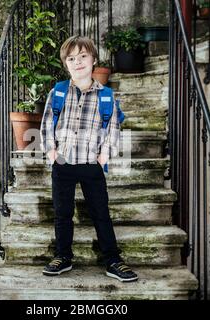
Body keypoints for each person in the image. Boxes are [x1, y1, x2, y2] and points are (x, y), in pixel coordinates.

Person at [39, 35, 138, 282]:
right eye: (72, 58)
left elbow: (113, 128)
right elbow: (46, 124)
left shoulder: (106, 96)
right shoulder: (58, 92)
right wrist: (51, 151)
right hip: (63, 163)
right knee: (62, 212)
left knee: (100, 212)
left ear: (93, 59)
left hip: (91, 164)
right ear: (66, 64)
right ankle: (63, 256)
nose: (78, 62)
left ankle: (112, 259)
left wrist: (105, 154)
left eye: (83, 56)